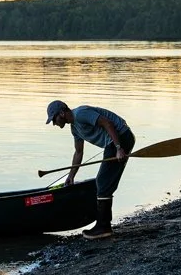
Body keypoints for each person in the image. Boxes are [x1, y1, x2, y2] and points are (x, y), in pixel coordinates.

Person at [46, 99, 135, 239]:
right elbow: (78, 153)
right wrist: (71, 176)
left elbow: (107, 123)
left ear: (62, 113)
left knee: (103, 182)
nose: (54, 123)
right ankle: (103, 225)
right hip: (114, 142)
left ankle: (104, 227)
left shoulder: (81, 114)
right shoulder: (75, 129)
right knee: (104, 182)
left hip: (121, 137)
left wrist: (118, 148)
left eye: (54, 119)